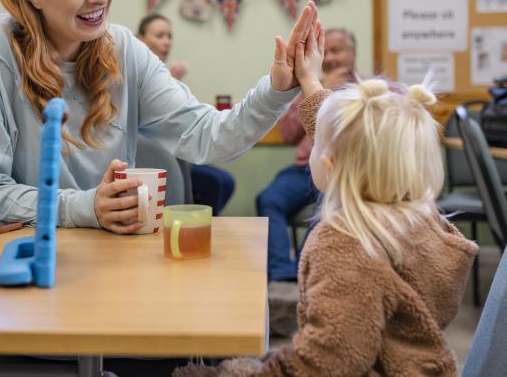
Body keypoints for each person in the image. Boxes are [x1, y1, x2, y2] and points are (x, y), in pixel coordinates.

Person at [0, 0, 318, 236]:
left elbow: (207, 136)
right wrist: (86, 206)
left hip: (107, 257)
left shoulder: (123, 49)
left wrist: (275, 90)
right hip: (20, 257)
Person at [175, 25, 478, 376]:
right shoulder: (423, 222)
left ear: (330, 167)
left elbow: (325, 363)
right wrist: (308, 78)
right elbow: (344, 139)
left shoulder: (347, 246)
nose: (315, 140)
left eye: (319, 143)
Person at [256, 28, 357, 282]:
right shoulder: (308, 86)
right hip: (303, 169)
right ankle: (281, 271)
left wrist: (331, 96)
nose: (331, 58)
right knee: (268, 199)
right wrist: (316, 92)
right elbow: (288, 133)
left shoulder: (368, 90)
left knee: (329, 206)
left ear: (353, 54)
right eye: (327, 52)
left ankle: (306, 270)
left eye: (338, 50)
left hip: (342, 171)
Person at [137, 13, 235, 215]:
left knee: (225, 181)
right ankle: (191, 226)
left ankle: (196, 226)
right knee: (215, 183)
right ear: (140, 39)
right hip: (149, 159)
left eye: (169, 36)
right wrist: (172, 79)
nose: (166, 42)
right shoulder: (136, 69)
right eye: (160, 35)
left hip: (175, 154)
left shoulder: (163, 73)